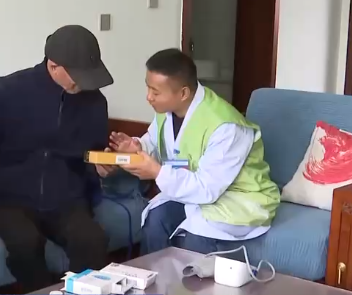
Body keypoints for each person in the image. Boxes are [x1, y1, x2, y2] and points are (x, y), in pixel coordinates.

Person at [0, 25, 112, 292]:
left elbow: (92, 154)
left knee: (92, 240)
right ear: (53, 66)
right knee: (25, 243)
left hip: (67, 199)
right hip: (11, 200)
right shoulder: (10, 91)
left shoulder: (95, 101)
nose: (85, 83)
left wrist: (101, 166)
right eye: (78, 76)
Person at [102, 48, 280, 256]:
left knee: (193, 238)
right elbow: (157, 142)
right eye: (148, 88)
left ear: (183, 93)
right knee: (155, 220)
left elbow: (207, 189)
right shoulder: (166, 111)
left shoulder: (226, 127)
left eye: (156, 92)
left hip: (236, 198)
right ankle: (151, 276)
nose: (148, 97)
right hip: (193, 191)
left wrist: (157, 172)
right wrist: (138, 148)